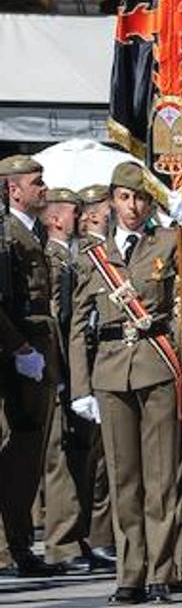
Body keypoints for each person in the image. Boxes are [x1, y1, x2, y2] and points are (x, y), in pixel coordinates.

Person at [68, 162, 182, 604]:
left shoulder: (167, 242)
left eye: (139, 198)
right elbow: (79, 326)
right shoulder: (93, 256)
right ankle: (129, 574)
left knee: (160, 478)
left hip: (157, 367)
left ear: (151, 202)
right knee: (124, 480)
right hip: (111, 374)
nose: (131, 207)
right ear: (111, 201)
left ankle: (161, 571)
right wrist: (81, 387)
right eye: (123, 197)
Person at [38, 188, 111, 575]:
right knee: (61, 460)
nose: (81, 217)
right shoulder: (50, 257)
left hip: (83, 365)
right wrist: (63, 372)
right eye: (74, 211)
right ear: (55, 219)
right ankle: (62, 543)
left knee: (86, 458)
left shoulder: (76, 256)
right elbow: (55, 318)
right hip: (58, 367)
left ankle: (83, 536)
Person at [0, 155, 58, 577]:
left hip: (34, 348)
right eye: (36, 182)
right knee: (13, 451)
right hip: (14, 351)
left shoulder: (31, 232)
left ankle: (20, 545)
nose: (44, 188)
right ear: (13, 189)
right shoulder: (7, 234)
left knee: (27, 454)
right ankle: (8, 547)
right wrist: (19, 348)